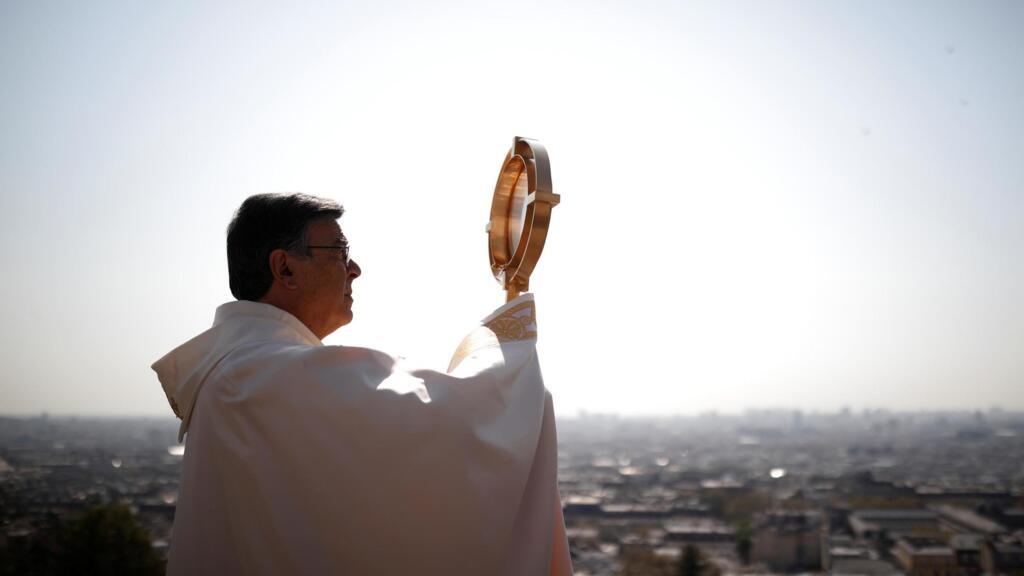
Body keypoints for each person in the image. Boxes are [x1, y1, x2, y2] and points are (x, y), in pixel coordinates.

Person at [152, 193, 572, 575]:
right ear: (285, 268)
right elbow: (451, 424)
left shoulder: (239, 371)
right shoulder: (266, 374)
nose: (354, 269)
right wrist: (505, 350)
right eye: (340, 251)